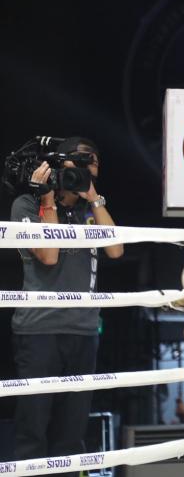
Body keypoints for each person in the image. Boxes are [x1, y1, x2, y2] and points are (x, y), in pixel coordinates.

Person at [10, 136, 123, 474]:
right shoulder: (26, 205)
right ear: (59, 165)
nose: (87, 171)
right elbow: (48, 256)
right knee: (32, 429)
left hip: (84, 330)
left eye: (93, 165)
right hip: (39, 329)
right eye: (80, 164)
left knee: (72, 433)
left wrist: (94, 198)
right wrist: (47, 200)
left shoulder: (92, 209)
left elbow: (116, 250)